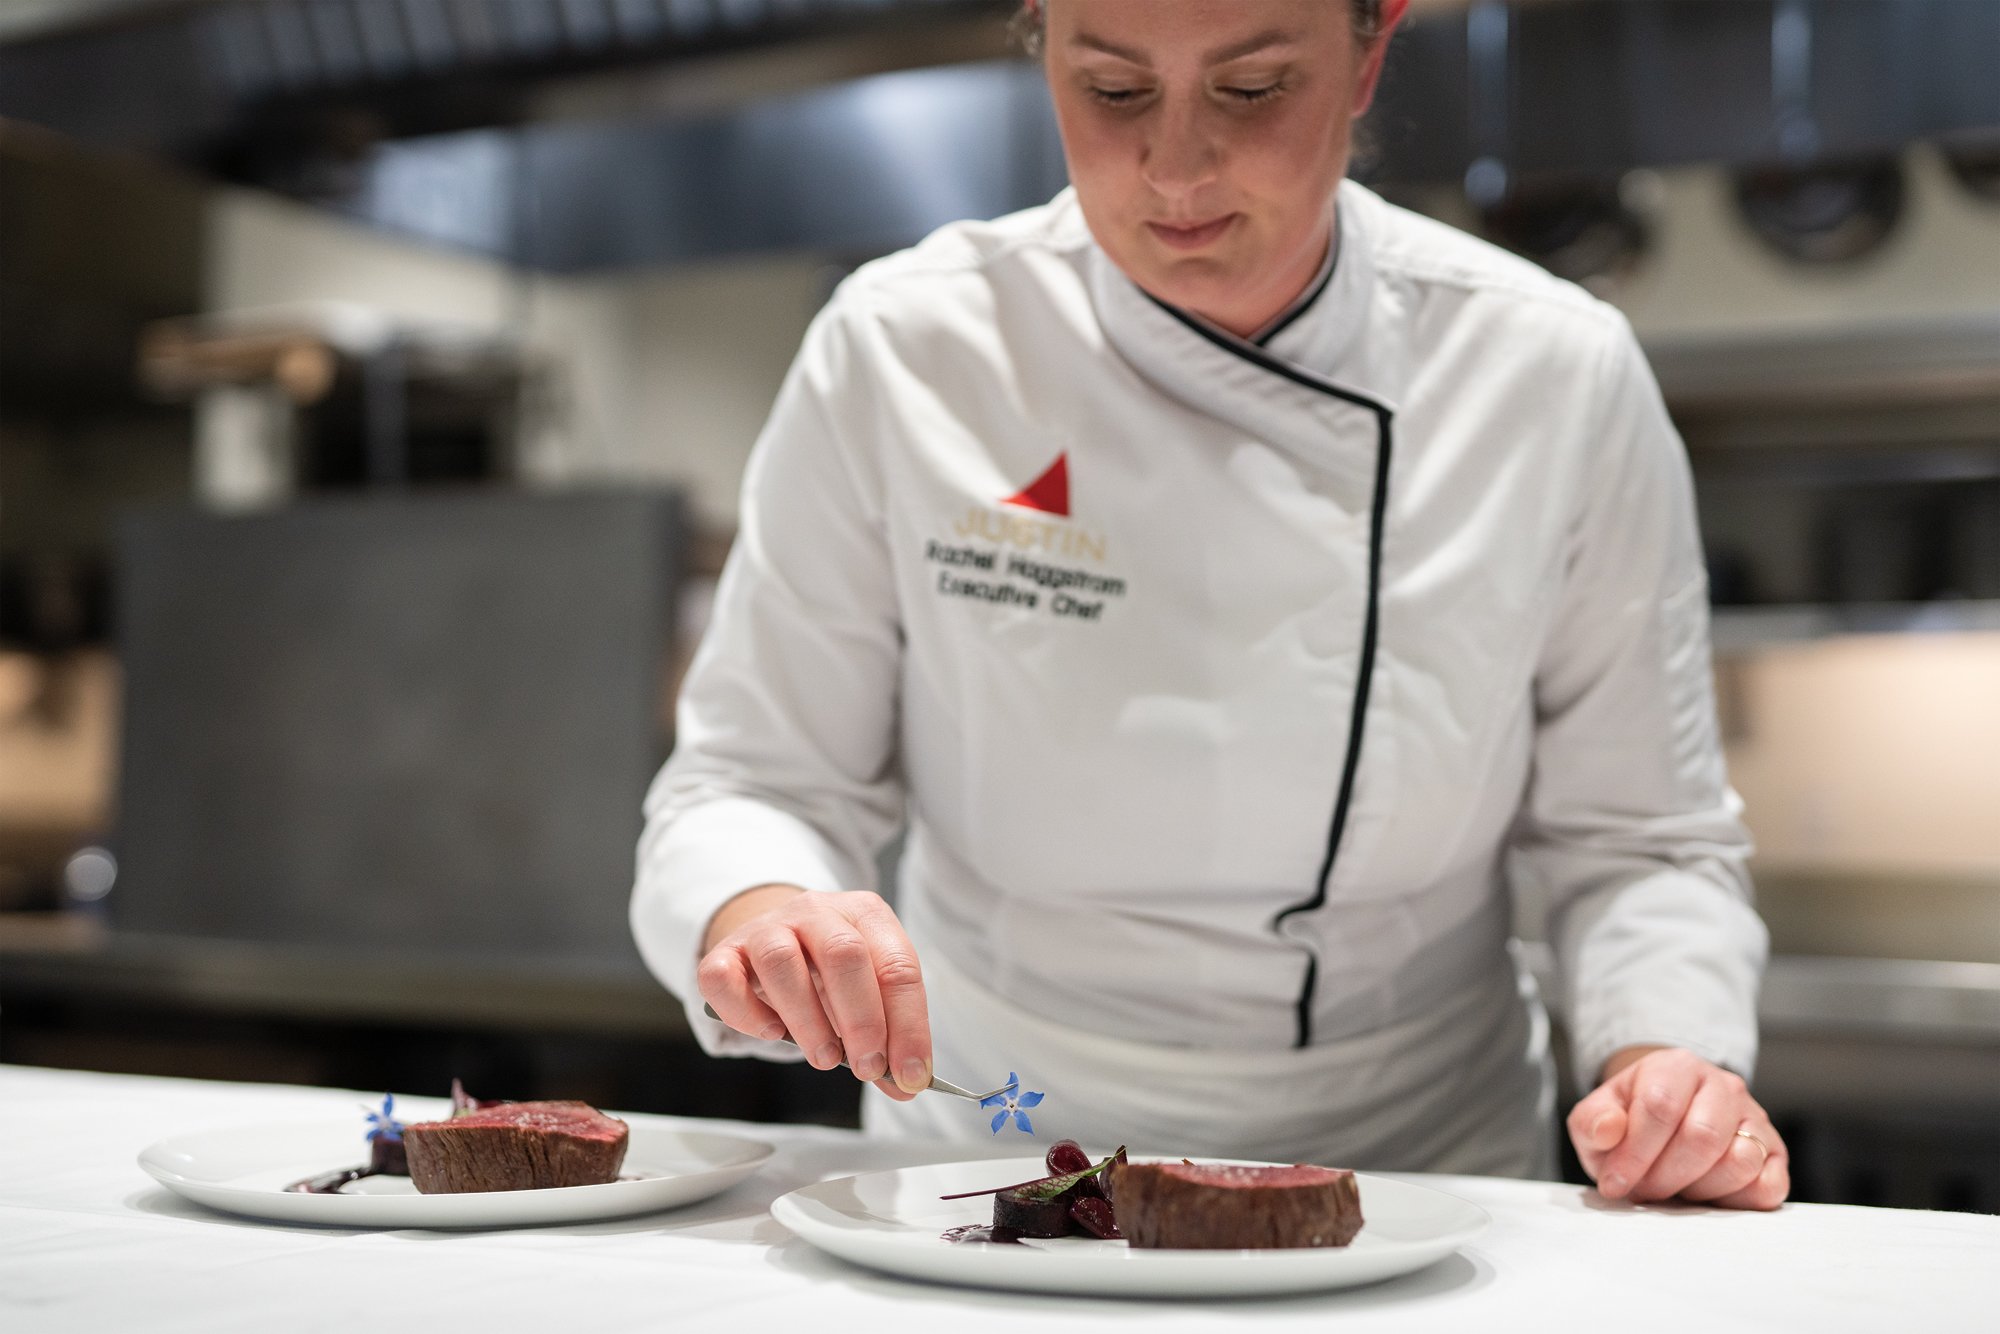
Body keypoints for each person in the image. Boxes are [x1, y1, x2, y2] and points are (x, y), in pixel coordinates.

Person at [630, 0, 1789, 1210]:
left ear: (1366, 55)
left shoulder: (1549, 372)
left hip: (1410, 1165)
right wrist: (766, 911)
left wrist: (1666, 1063)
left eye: (1249, 90)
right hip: (991, 1142)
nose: (1174, 167)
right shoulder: (905, 346)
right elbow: (750, 781)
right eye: (1114, 91)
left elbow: (1640, 841)